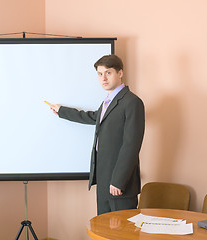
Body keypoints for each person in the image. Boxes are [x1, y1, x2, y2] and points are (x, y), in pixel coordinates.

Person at [49, 54, 145, 215]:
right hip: (103, 180)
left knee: (121, 234)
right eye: (100, 74)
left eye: (108, 73)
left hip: (120, 184)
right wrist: (62, 111)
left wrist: (118, 181)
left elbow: (131, 145)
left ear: (120, 73)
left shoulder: (132, 102)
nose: (103, 78)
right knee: (102, 231)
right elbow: (93, 117)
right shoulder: (107, 102)